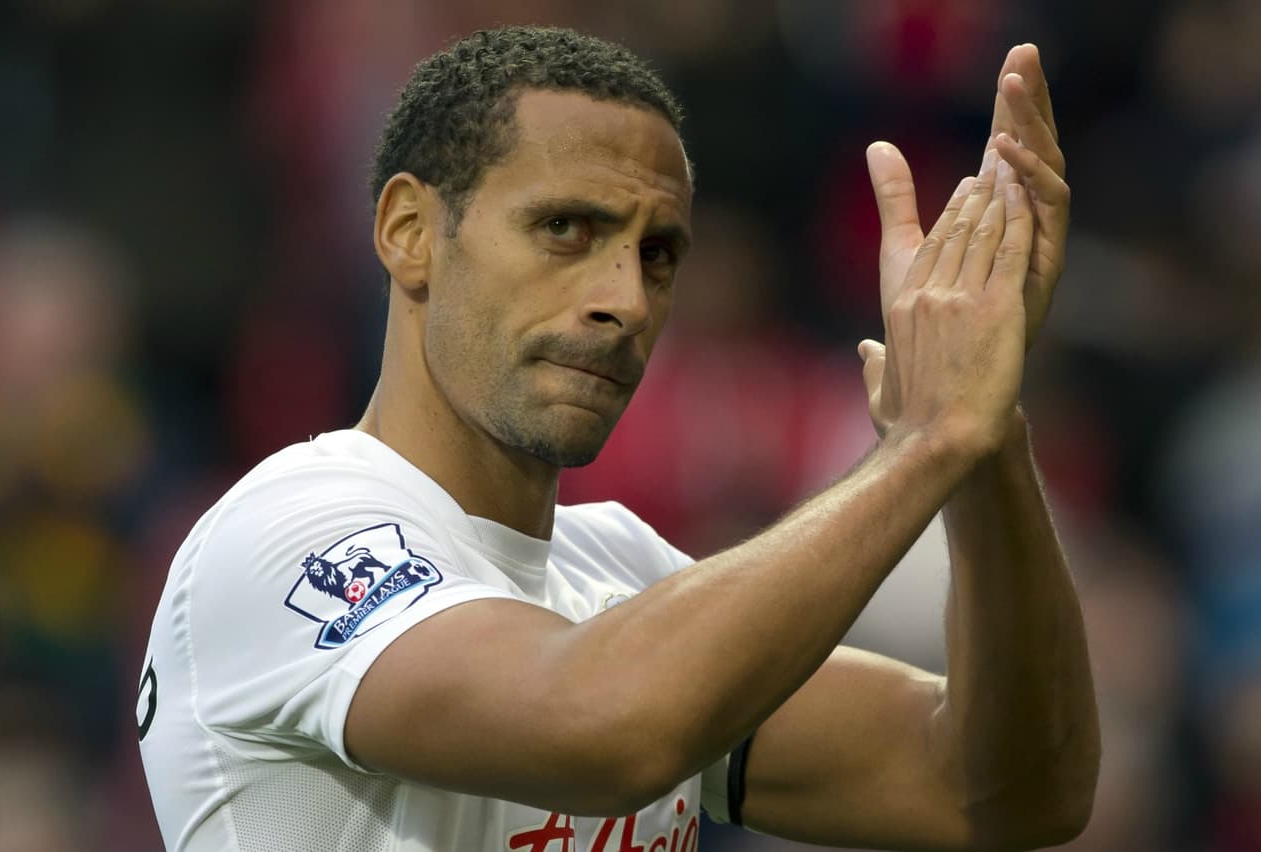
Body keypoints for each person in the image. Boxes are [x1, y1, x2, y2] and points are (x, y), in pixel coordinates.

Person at [137, 25, 1099, 852]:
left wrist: (987, 430)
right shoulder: (289, 533)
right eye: (565, 227)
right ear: (409, 232)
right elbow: (602, 731)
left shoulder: (624, 573)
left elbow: (1004, 794)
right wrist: (926, 441)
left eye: (657, 254)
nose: (625, 301)